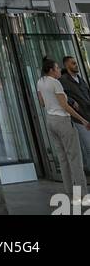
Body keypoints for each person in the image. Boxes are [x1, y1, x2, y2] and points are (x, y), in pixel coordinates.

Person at [36, 56, 89, 198]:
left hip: (50, 121)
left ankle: (70, 194)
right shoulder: (56, 83)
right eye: (57, 68)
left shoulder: (40, 82)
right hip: (63, 121)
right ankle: (82, 195)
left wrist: (51, 103)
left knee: (63, 159)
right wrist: (82, 120)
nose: (60, 70)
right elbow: (65, 106)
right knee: (75, 159)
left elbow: (42, 103)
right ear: (52, 70)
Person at [60, 53, 90, 174]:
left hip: (88, 114)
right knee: (88, 145)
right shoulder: (63, 80)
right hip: (78, 118)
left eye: (76, 62)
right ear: (67, 65)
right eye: (73, 63)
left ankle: (87, 168)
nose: (76, 65)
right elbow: (61, 95)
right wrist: (71, 101)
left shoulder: (81, 79)